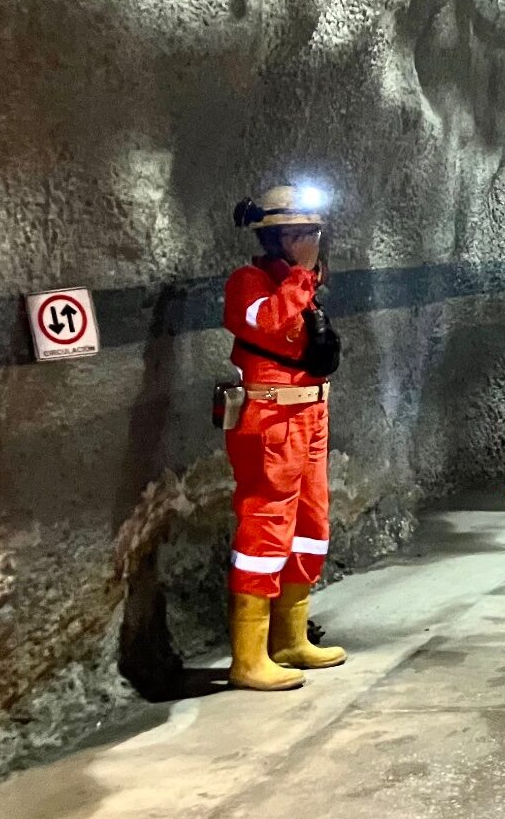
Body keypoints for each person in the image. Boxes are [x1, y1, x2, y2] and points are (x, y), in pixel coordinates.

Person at [220, 184, 346, 691]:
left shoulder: (305, 283)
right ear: (273, 239)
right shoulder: (250, 282)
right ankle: (248, 658)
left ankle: (289, 639)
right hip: (270, 421)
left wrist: (304, 278)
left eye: (313, 232)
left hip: (310, 417)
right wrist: (298, 277)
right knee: (265, 528)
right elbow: (269, 325)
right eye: (298, 234)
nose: (310, 242)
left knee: (310, 524)